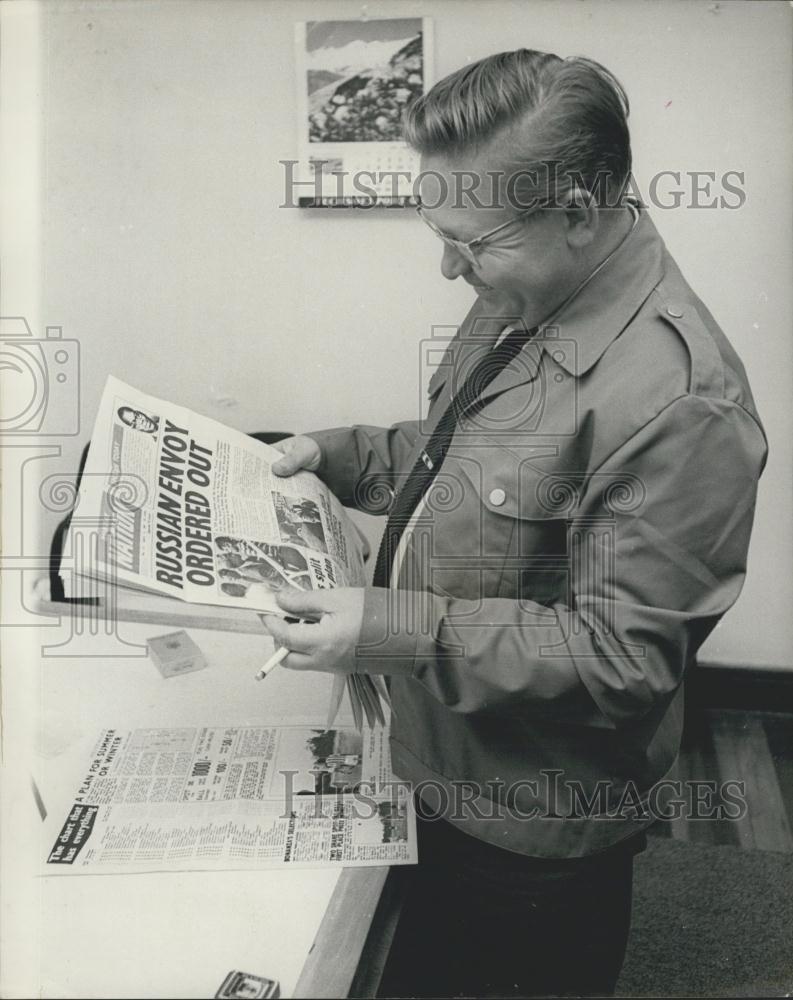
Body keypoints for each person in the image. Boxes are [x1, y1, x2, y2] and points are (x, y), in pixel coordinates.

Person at [262, 49, 767, 997]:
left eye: (473, 239)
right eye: (436, 227)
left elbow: (621, 659)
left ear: (577, 212)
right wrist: (343, 455)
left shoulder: (682, 402)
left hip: (529, 826)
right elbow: (466, 453)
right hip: (441, 761)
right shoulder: (524, 288)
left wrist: (389, 629)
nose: (447, 265)